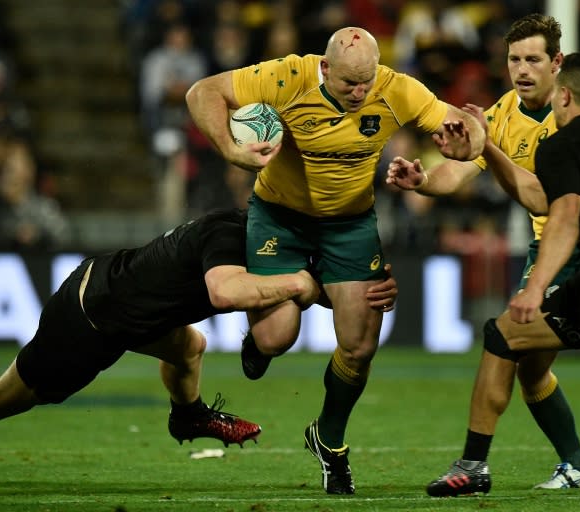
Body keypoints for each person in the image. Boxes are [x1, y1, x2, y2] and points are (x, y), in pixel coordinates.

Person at [0, 208, 397, 482]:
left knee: (189, 345)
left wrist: (355, 293)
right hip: (91, 320)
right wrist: (306, 289)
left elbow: (299, 280)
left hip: (121, 298)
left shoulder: (259, 237)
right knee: (3, 397)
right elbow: (226, 290)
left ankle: (188, 415)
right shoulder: (230, 236)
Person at [184, 26, 485, 495]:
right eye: (349, 84)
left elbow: (468, 130)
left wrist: (469, 142)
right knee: (276, 336)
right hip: (279, 218)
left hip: (349, 224)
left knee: (360, 347)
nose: (359, 93)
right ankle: (267, 335)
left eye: (366, 82)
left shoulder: (397, 90)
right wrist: (231, 151)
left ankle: (329, 439)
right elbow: (203, 91)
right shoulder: (287, 77)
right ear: (325, 68)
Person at [386, 14, 580, 493]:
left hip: (572, 246)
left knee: (507, 339)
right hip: (550, 245)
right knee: (531, 368)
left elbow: (545, 199)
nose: (522, 69)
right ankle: (577, 465)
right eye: (514, 59)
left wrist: (490, 150)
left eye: (533, 59)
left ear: (557, 64)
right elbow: (458, 170)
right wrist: (424, 182)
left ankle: (475, 464)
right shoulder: (500, 114)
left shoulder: (571, 125)